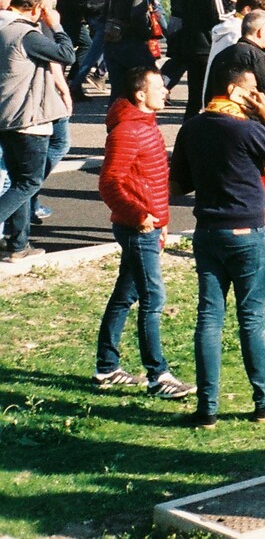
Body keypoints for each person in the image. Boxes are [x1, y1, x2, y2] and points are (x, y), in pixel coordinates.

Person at [170, 59, 265, 427]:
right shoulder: (244, 129)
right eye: (252, 90)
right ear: (232, 91)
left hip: (208, 232)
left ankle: (206, 408)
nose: (256, 97)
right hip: (246, 233)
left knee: (209, 318)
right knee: (251, 319)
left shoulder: (192, 128)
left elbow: (178, 185)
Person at [94, 67, 195, 399]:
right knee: (153, 299)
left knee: (125, 295)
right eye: (159, 87)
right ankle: (158, 377)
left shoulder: (146, 125)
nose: (166, 91)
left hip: (149, 226)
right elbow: (109, 183)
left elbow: (148, 180)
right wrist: (140, 215)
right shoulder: (127, 131)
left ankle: (107, 368)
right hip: (138, 228)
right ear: (140, 94)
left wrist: (161, 221)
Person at [0, 0, 75, 262]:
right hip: (29, 118)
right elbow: (67, 55)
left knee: (19, 181)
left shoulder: (3, 30)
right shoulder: (25, 34)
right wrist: (55, 26)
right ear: (35, 9)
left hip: (8, 115)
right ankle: (14, 239)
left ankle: (18, 244)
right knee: (28, 182)